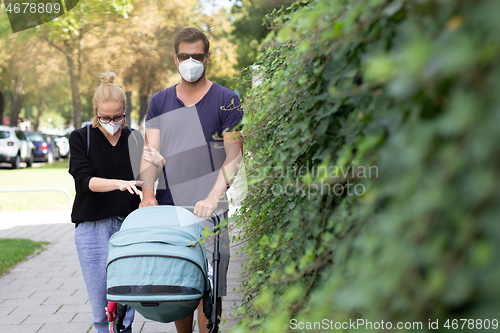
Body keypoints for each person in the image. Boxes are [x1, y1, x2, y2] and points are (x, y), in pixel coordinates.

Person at [139, 27, 244, 333]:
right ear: (175, 58)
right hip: (171, 209)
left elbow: (234, 156)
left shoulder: (227, 100)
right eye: (184, 56)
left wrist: (212, 198)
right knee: (178, 286)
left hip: (212, 211)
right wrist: (148, 193)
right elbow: (150, 154)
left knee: (211, 292)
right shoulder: (160, 101)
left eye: (196, 56)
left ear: (207, 58)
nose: (190, 61)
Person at [69, 72, 143, 333]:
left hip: (129, 228)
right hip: (92, 230)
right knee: (102, 312)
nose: (112, 122)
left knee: (125, 311)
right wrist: (119, 183)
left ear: (125, 110)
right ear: (95, 112)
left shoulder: (135, 138)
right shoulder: (81, 138)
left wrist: (158, 164)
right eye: (105, 118)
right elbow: (84, 181)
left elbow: (147, 180)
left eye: (118, 117)